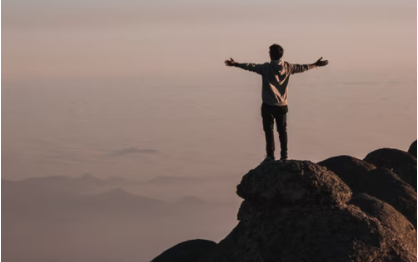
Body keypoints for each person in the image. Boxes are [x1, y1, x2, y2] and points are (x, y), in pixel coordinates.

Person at [224, 44, 328, 163]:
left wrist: (235, 64)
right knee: (282, 131)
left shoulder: (266, 68)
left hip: (268, 105)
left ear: (271, 54)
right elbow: (303, 67)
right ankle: (284, 155)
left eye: (269, 52)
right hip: (282, 105)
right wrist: (316, 64)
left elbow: (250, 66)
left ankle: (270, 156)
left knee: (269, 131)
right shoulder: (288, 67)